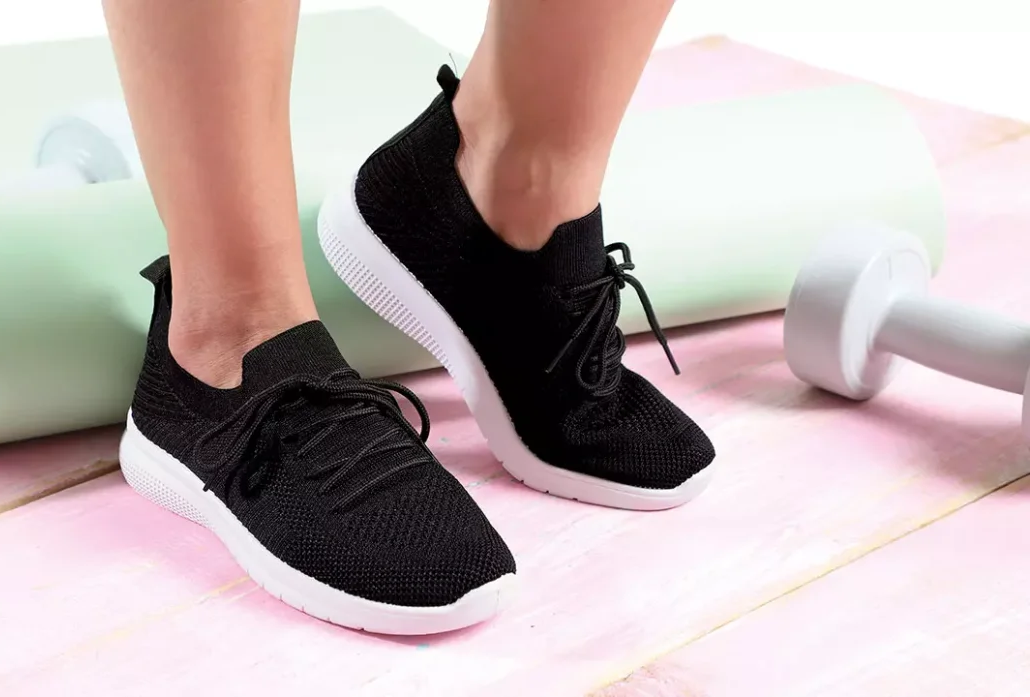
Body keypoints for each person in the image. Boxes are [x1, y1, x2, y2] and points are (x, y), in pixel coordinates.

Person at [104, 0, 715, 635]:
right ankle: (230, 326)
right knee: (240, 307)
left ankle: (511, 177)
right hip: (218, 357)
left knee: (539, 142)